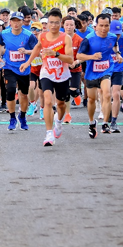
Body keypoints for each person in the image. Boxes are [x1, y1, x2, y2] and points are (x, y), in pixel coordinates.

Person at [21, 9, 74, 146]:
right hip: (47, 73)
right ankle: (49, 133)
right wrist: (27, 63)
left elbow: (70, 59)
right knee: (48, 101)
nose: (54, 25)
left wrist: (55, 54)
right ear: (47, 23)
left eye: (57, 23)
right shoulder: (43, 36)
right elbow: (37, 49)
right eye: (51, 22)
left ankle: (58, 122)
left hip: (62, 75)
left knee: (61, 104)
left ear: (60, 23)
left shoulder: (65, 38)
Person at [76, 13, 120, 138]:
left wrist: (118, 54)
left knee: (107, 94)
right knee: (91, 99)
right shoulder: (88, 39)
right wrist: (92, 57)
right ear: (96, 26)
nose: (104, 28)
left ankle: (105, 123)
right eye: (101, 25)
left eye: (106, 25)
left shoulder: (112, 37)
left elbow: (114, 47)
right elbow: (79, 56)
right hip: (91, 73)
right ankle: (91, 122)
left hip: (106, 70)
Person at [0, 11, 38, 131]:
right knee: (10, 91)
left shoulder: (29, 35)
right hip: (9, 66)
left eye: (18, 21)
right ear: (10, 21)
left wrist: (26, 52)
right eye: (14, 20)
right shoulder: (4, 33)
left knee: (23, 95)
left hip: (23, 67)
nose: (16, 23)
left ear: (22, 21)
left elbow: (37, 51)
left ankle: (23, 116)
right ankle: (12, 118)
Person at [61, 15, 83, 124]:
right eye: (66, 25)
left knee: (72, 90)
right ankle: (67, 115)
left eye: (71, 25)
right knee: (65, 93)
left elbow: (83, 55)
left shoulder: (79, 39)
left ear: (75, 26)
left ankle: (76, 94)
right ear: (63, 26)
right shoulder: (60, 38)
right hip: (63, 69)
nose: (69, 27)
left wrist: (75, 62)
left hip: (76, 69)